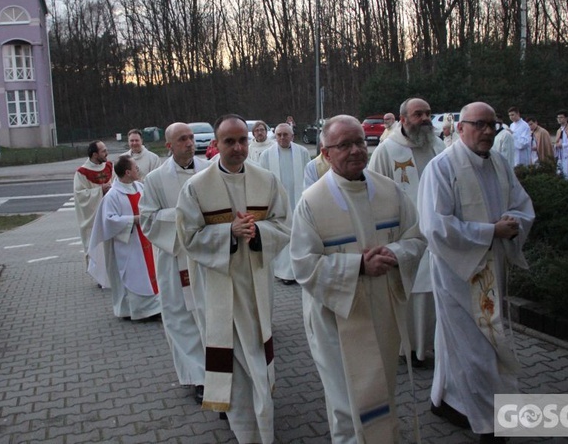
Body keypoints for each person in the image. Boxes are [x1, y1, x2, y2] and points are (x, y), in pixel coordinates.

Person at [290, 115, 425, 443]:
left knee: (383, 393)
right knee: (348, 403)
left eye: (360, 142)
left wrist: (394, 253)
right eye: (344, 145)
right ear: (326, 153)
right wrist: (357, 267)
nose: (355, 150)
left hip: (382, 312)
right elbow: (303, 265)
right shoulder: (311, 202)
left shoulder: (389, 190)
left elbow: (416, 237)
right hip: (336, 319)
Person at [417, 102, 535, 444]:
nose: (487, 131)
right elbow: (434, 225)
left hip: (491, 267)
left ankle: (447, 402)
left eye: (492, 125)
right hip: (458, 273)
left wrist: (513, 225)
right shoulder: (442, 167)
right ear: (461, 127)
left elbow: (521, 204)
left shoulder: (498, 162)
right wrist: (490, 232)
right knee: (477, 349)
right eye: (479, 125)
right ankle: (491, 423)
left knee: (455, 343)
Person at [176, 114, 291, 444]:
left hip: (255, 288)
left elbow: (284, 224)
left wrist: (258, 232)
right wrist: (228, 231)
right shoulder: (197, 187)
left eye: (242, 140)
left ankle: (266, 425)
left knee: (258, 360)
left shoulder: (265, 180)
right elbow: (188, 236)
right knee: (236, 371)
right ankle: (246, 433)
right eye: (229, 141)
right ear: (216, 143)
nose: (238, 147)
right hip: (219, 290)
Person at [368, 97, 445, 367]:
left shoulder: (438, 145)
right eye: (417, 114)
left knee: (434, 293)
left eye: (427, 113)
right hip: (405, 236)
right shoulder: (387, 151)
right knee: (410, 294)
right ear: (403, 120)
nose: (425, 119)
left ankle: (432, 346)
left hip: (439, 235)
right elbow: (372, 194)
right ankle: (407, 349)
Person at [140, 123, 208, 404]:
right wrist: (184, 216)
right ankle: (197, 376)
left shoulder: (209, 169)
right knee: (181, 318)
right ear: (169, 146)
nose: (190, 143)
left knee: (208, 314)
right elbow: (147, 220)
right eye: (182, 139)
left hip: (206, 257)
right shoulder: (155, 179)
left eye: (191, 138)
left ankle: (219, 369)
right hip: (173, 258)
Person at [88, 156, 161, 321]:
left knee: (150, 274)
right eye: (135, 168)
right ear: (127, 172)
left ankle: (154, 308)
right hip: (127, 244)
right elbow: (109, 221)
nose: (138, 170)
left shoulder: (140, 188)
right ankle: (134, 311)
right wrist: (133, 220)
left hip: (145, 240)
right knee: (133, 275)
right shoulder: (113, 195)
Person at [258, 122, 310, 284]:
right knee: (282, 236)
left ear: (292, 136)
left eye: (285, 134)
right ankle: (284, 272)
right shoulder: (267, 155)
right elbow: (263, 180)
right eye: (279, 135)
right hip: (278, 203)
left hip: (298, 200)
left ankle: (299, 269)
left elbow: (308, 176)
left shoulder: (302, 152)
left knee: (298, 236)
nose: (282, 137)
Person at [73, 140, 113, 268]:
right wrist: (100, 191)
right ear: (95, 154)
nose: (107, 153)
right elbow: (80, 195)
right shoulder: (82, 172)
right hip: (93, 215)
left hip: (109, 212)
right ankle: (98, 274)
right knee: (95, 245)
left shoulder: (109, 167)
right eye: (103, 151)